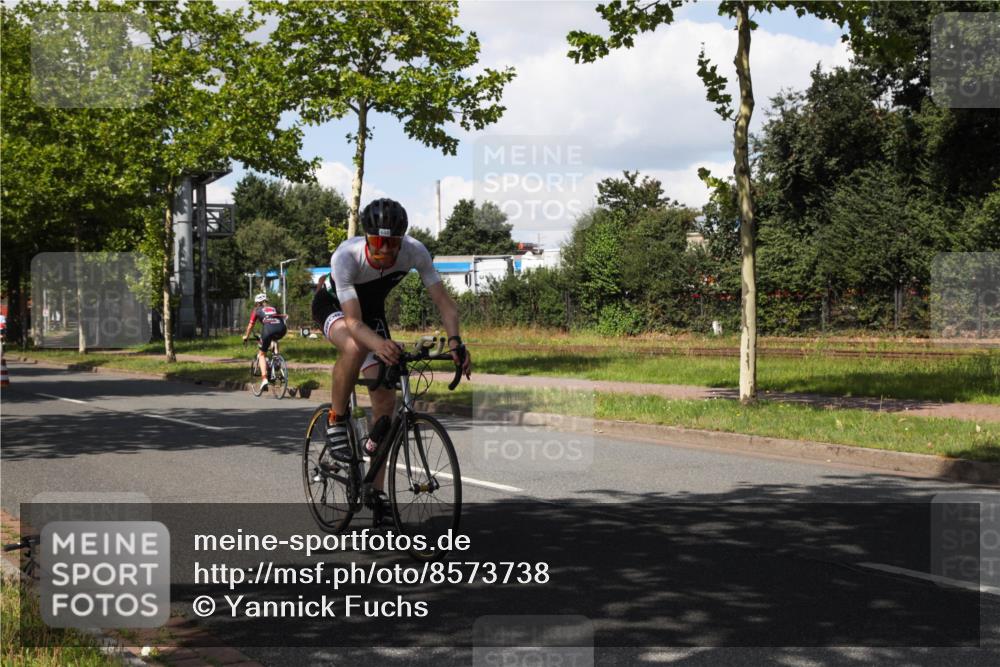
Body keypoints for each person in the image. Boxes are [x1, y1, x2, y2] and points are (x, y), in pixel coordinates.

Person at [312, 198, 471, 509]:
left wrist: (455, 342)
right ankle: (336, 418)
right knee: (355, 345)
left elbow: (445, 303)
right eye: (377, 242)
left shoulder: (415, 251)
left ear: (402, 240)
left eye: (392, 243)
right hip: (334, 308)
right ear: (367, 237)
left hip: (370, 315)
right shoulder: (346, 256)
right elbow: (354, 323)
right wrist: (380, 344)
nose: (384, 250)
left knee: (386, 401)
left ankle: (375, 490)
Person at [242, 293, 287, 391]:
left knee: (262, 354)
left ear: (257, 303)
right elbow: (280, 318)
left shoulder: (257, 310)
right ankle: (277, 359)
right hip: (282, 328)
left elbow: (250, 325)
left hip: (268, 329)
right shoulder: (274, 308)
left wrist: (246, 336)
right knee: (274, 339)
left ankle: (264, 379)